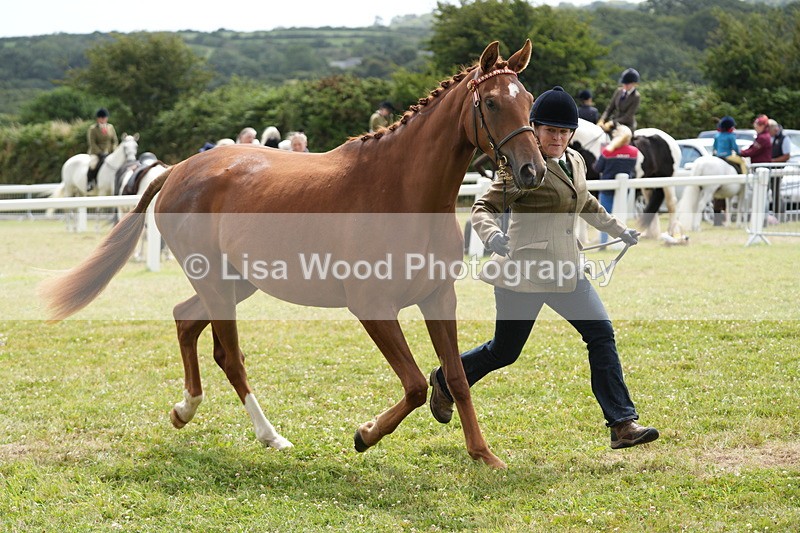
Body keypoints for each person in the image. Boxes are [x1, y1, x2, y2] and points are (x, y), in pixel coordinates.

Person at [428, 86, 659, 450]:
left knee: (601, 335)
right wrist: (491, 238)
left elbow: (586, 203)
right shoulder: (522, 166)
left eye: (564, 132)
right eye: (550, 130)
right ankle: (445, 379)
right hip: (523, 274)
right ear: (533, 128)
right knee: (505, 352)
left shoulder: (577, 162)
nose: (558, 138)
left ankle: (622, 423)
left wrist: (619, 230)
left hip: (567, 272)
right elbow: (483, 208)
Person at [593, 124, 639, 245]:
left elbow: (597, 168)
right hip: (624, 190)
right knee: (620, 216)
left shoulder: (608, 150)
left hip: (607, 188)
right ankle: (621, 241)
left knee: (604, 217)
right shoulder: (634, 152)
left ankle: (603, 243)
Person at [598, 68, 641, 132]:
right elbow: (610, 108)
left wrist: (612, 122)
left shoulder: (636, 96)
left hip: (626, 125)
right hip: (613, 121)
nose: (625, 85)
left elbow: (628, 116)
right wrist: (602, 120)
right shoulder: (619, 91)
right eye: (624, 83)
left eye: (628, 84)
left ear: (634, 83)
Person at [86, 107, 119, 192]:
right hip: (96, 153)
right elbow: (92, 143)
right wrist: (100, 152)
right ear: (98, 118)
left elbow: (114, 140)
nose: (104, 119)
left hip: (109, 152)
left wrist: (114, 150)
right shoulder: (93, 129)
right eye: (102, 118)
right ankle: (90, 182)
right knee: (93, 164)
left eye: (105, 117)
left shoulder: (110, 127)